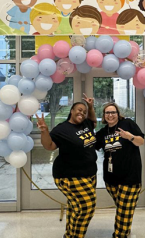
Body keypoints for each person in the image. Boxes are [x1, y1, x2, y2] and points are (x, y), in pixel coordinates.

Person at [36, 94, 97, 238]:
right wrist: (44, 131)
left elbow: (93, 121)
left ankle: (69, 234)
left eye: (84, 111)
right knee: (87, 207)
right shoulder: (62, 129)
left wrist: (90, 107)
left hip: (89, 174)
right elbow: (49, 146)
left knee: (75, 207)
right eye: (79, 110)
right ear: (71, 111)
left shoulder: (86, 124)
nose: (81, 113)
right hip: (69, 175)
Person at [95, 102, 145, 238]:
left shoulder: (127, 124)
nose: (110, 115)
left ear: (118, 114)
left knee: (124, 209)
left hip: (130, 176)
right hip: (111, 178)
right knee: (123, 208)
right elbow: (91, 144)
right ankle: (125, 231)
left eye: (113, 112)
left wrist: (130, 136)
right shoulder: (103, 132)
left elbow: (141, 141)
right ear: (104, 116)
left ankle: (120, 234)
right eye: (107, 113)